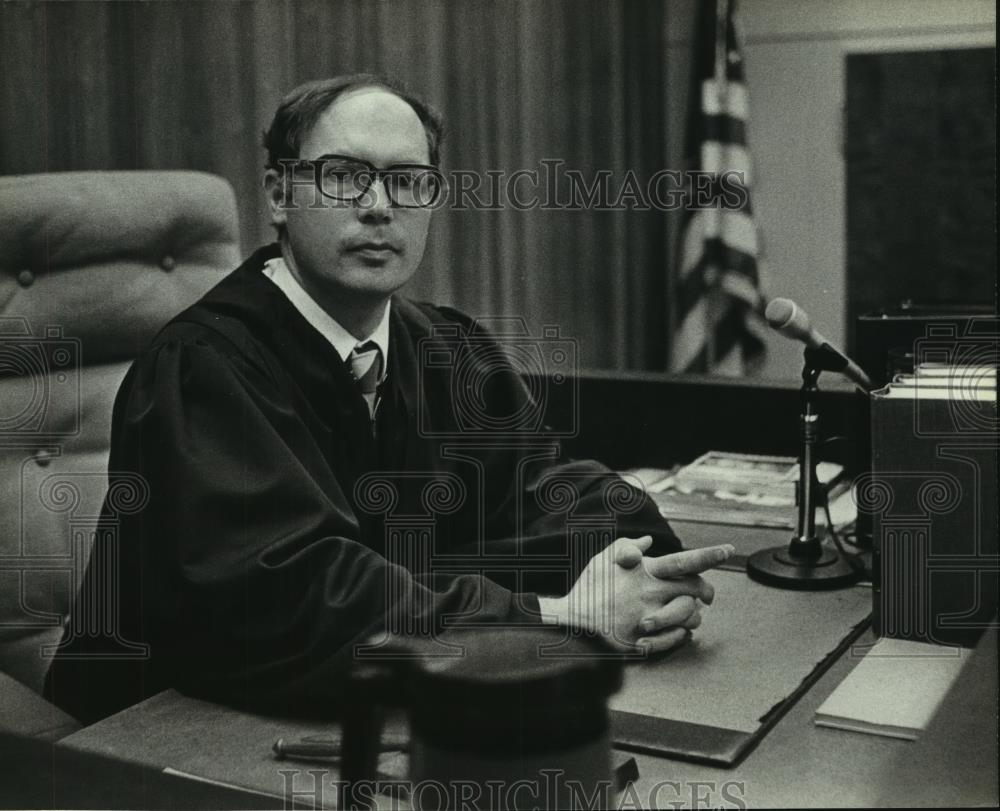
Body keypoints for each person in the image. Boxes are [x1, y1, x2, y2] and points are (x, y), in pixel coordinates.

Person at [46, 75, 733, 724]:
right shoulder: (202, 371)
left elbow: (542, 497)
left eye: (407, 181)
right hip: (147, 739)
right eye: (345, 176)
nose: (379, 205)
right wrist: (557, 616)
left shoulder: (447, 349)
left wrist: (636, 563)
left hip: (377, 698)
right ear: (279, 193)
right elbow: (301, 599)